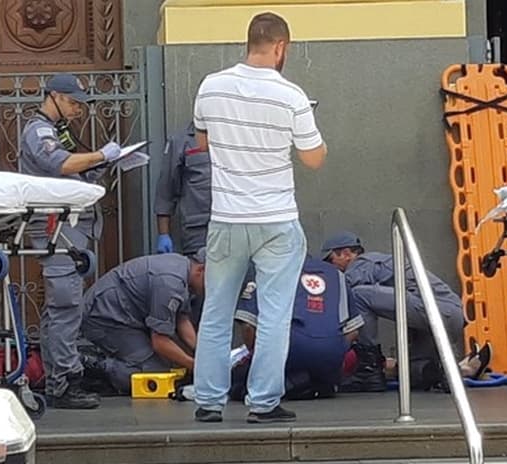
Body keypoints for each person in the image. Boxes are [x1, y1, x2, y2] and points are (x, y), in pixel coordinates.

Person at [191, 12, 327, 424]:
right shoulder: (291, 96)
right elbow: (314, 159)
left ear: (250, 42)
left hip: (226, 218)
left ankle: (208, 401)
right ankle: (263, 402)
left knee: (216, 311)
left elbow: (202, 142)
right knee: (273, 316)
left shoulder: (210, 86)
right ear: (281, 47)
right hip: (276, 220)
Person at [18, 73, 122, 409]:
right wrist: (100, 155)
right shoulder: (39, 131)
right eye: (74, 102)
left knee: (60, 309)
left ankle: (58, 378)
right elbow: (59, 163)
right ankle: (65, 382)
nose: (78, 109)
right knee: (66, 304)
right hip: (56, 226)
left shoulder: (54, 130)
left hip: (66, 225)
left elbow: (69, 172)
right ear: (54, 97)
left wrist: (101, 164)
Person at [321, 231, 491, 391]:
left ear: (346, 253)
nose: (330, 267)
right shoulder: (380, 262)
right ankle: (461, 370)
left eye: (330, 260)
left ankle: (369, 372)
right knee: (411, 372)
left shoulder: (361, 264)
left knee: (358, 295)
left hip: (438, 311)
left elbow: (342, 297)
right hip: (445, 317)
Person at [230, 256, 364, 400]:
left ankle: (288, 383)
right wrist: (333, 351)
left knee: (238, 377)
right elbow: (353, 331)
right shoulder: (336, 274)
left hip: (289, 349)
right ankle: (313, 382)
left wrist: (259, 359)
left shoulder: (265, 269)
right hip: (332, 353)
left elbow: (248, 326)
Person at [80, 251, 206, 394]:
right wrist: (196, 367)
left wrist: (201, 352)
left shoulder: (183, 270)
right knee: (153, 373)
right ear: (200, 270)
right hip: (105, 317)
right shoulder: (170, 283)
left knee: (174, 360)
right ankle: (90, 365)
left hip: (126, 315)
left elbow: (181, 319)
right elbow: (160, 342)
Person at [154, 121, 211, 256]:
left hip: (235, 227)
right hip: (199, 231)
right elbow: (165, 191)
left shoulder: (236, 137)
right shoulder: (180, 141)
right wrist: (163, 234)